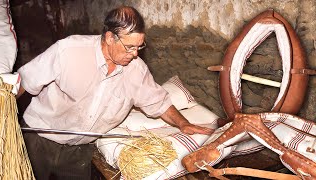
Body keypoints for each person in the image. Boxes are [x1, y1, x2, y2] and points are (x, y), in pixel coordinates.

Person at [16, 6, 213, 179]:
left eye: (139, 46)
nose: (135, 53)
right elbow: (25, 80)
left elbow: (158, 102)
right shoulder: (69, 50)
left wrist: (183, 123)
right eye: (129, 47)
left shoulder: (136, 70)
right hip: (37, 139)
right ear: (110, 38)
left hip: (79, 150)